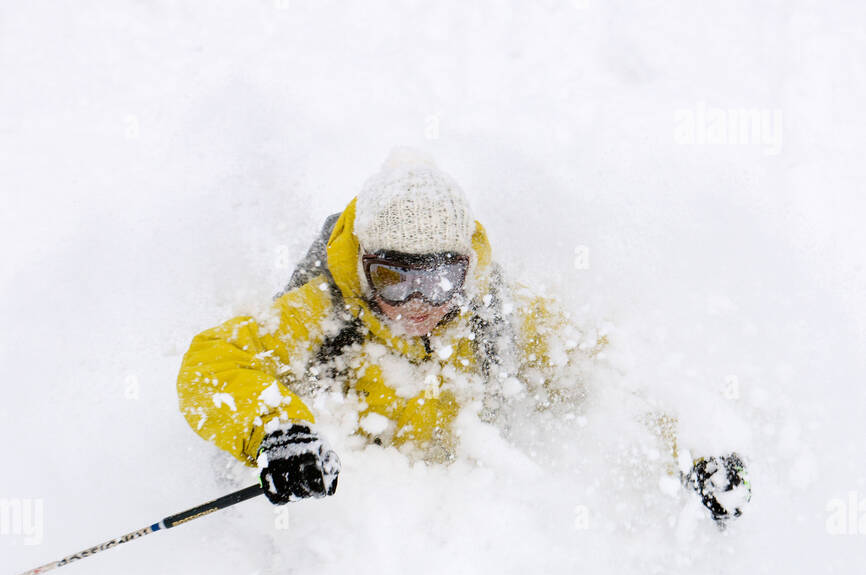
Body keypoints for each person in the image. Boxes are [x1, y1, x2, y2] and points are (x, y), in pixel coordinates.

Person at [177, 152, 750, 524]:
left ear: (466, 268)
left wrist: (696, 445)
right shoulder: (324, 313)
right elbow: (211, 363)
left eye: (440, 279)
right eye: (395, 281)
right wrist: (277, 433)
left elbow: (609, 368)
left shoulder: (495, 315)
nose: (420, 304)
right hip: (357, 528)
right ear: (364, 266)